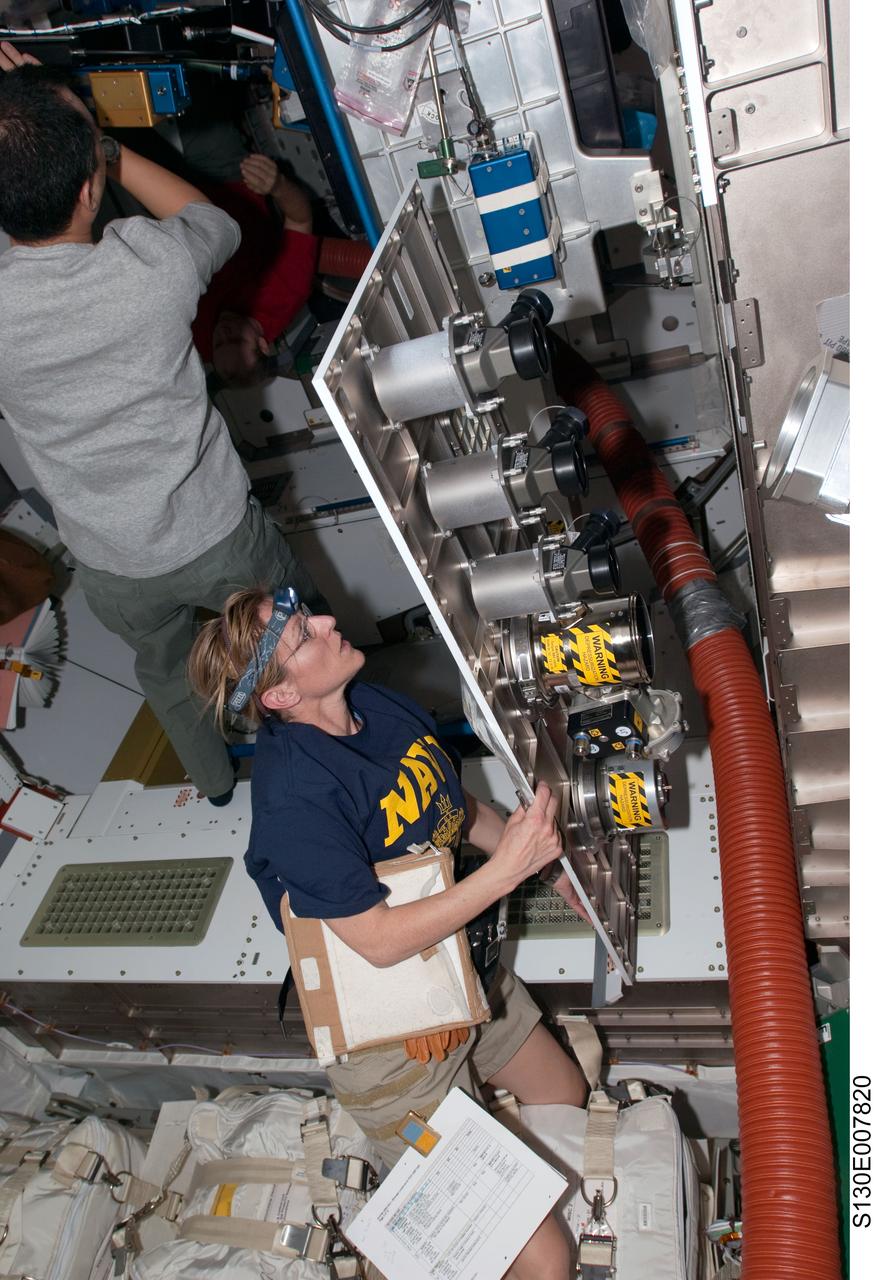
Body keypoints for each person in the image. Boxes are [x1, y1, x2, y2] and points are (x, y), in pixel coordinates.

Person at [188, 585, 590, 1280]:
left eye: (308, 612)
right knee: (549, 1264)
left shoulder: (374, 705)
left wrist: (542, 867)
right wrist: (505, 875)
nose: (328, 622)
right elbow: (374, 940)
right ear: (279, 698)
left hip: (457, 969)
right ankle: (440, 1224)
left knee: (564, 1094)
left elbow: (451, 804)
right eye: (304, 636)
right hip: (391, 1039)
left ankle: (471, 1190)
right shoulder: (295, 799)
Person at [0, 45, 327, 802]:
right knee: (290, 647)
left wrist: (28, 127)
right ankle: (321, 741)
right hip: (216, 534)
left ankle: (215, 787)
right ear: (91, 187)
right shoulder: (153, 266)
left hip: (112, 564)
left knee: (171, 680)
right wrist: (104, 147)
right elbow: (211, 219)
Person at [192, 151, 320, 387]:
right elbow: (300, 220)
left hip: (178, 210)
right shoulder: (284, 295)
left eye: (218, 343)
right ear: (262, 344)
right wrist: (278, 185)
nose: (224, 331)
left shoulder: (201, 341)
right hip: (226, 182)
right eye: (236, 339)